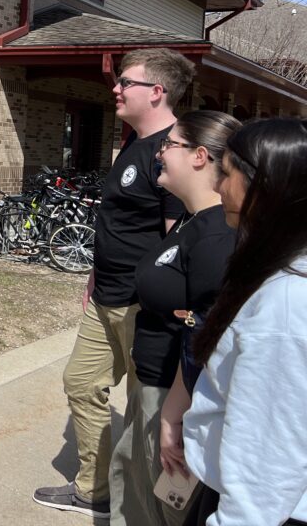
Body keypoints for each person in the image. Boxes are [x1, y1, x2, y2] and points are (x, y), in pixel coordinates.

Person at [34, 48, 194, 519]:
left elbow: (177, 241)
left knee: (150, 416)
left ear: (157, 92)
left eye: (127, 82)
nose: (117, 88)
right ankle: (94, 490)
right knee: (81, 383)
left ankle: (156, 512)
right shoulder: (133, 143)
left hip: (142, 307)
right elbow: (119, 223)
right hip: (105, 296)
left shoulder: (175, 149)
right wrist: (94, 273)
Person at [158, 118, 307, 526]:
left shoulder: (286, 305)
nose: (219, 186)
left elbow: (267, 463)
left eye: (227, 174)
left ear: (266, 188)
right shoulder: (280, 275)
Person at [109, 111, 240, 526]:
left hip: (173, 397)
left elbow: (207, 333)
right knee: (135, 495)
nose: (159, 152)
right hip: (153, 386)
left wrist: (173, 415)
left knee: (162, 512)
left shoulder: (218, 236)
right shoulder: (191, 220)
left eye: (170, 144)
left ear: (200, 156)